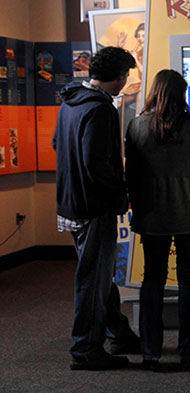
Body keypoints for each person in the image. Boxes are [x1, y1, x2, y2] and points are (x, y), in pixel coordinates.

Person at [53, 46, 140, 370]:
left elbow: (56, 145)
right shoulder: (101, 110)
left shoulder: (70, 102)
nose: (126, 83)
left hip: (70, 203)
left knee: (99, 275)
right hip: (94, 205)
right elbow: (96, 163)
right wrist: (122, 190)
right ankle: (86, 349)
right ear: (118, 77)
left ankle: (119, 333)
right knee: (94, 278)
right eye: (126, 77)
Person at [125, 70, 190, 370]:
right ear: (182, 94)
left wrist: (137, 212)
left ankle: (150, 351)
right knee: (189, 282)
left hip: (152, 216)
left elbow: (132, 178)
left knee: (152, 280)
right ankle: (187, 351)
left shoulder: (137, 126)